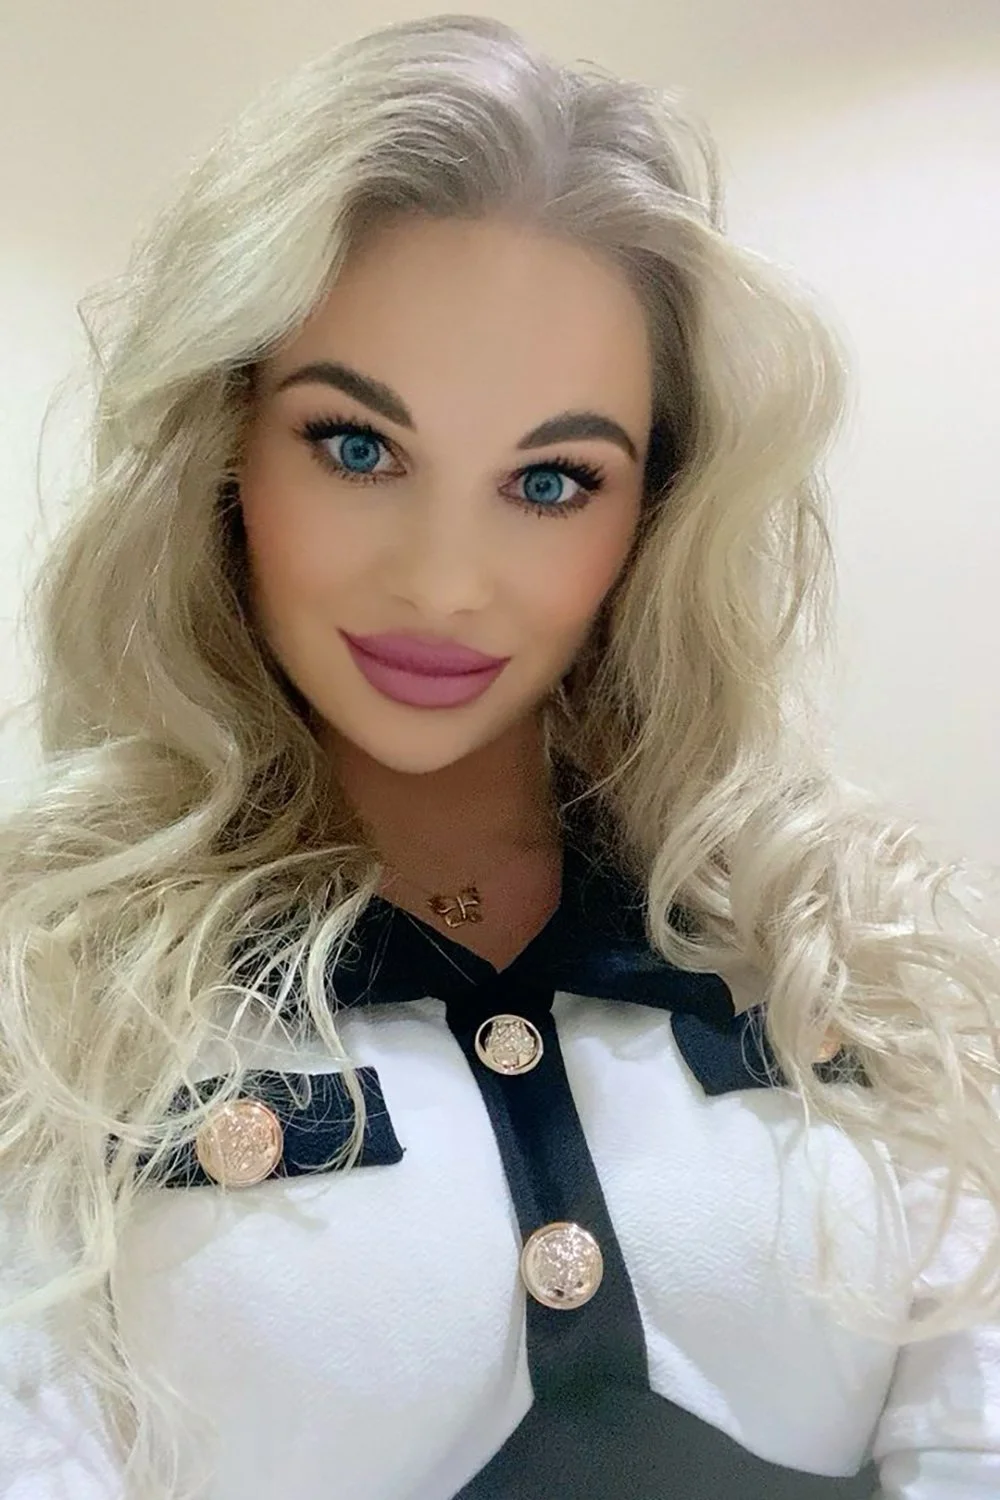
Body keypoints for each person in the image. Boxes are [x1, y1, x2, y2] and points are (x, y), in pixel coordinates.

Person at [1, 13, 998, 1499]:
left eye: (551, 480)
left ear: (656, 509)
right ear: (225, 449)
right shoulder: (52, 1001)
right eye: (356, 448)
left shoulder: (842, 947)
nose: (444, 583)